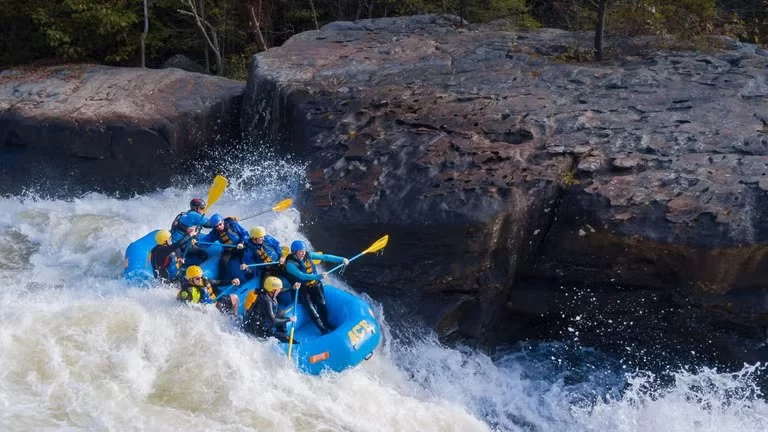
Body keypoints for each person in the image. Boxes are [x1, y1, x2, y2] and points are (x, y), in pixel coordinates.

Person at [284, 240, 348, 334]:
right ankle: (322, 328)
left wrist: (341, 259)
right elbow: (302, 276)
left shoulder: (307, 255)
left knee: (322, 303)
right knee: (310, 308)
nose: (303, 253)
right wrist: (318, 276)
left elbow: (324, 257)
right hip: (302, 288)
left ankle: (326, 323)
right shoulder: (290, 264)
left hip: (314, 284)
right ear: (294, 252)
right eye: (300, 251)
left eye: (304, 251)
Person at [243, 276, 299, 343]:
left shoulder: (265, 291)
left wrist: (292, 288)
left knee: (281, 312)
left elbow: (280, 291)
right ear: (273, 290)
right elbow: (273, 321)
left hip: (260, 321)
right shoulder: (266, 301)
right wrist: (289, 319)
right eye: (278, 289)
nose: (279, 290)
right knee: (286, 338)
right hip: (257, 330)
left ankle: (282, 331)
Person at [197, 213, 250, 279]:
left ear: (223, 221)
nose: (219, 227)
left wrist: (242, 242)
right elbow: (207, 240)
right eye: (216, 226)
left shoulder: (232, 225)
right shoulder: (215, 232)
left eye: (220, 224)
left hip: (240, 246)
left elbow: (244, 233)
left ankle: (249, 273)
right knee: (223, 261)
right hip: (229, 250)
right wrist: (197, 242)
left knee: (246, 257)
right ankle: (225, 279)